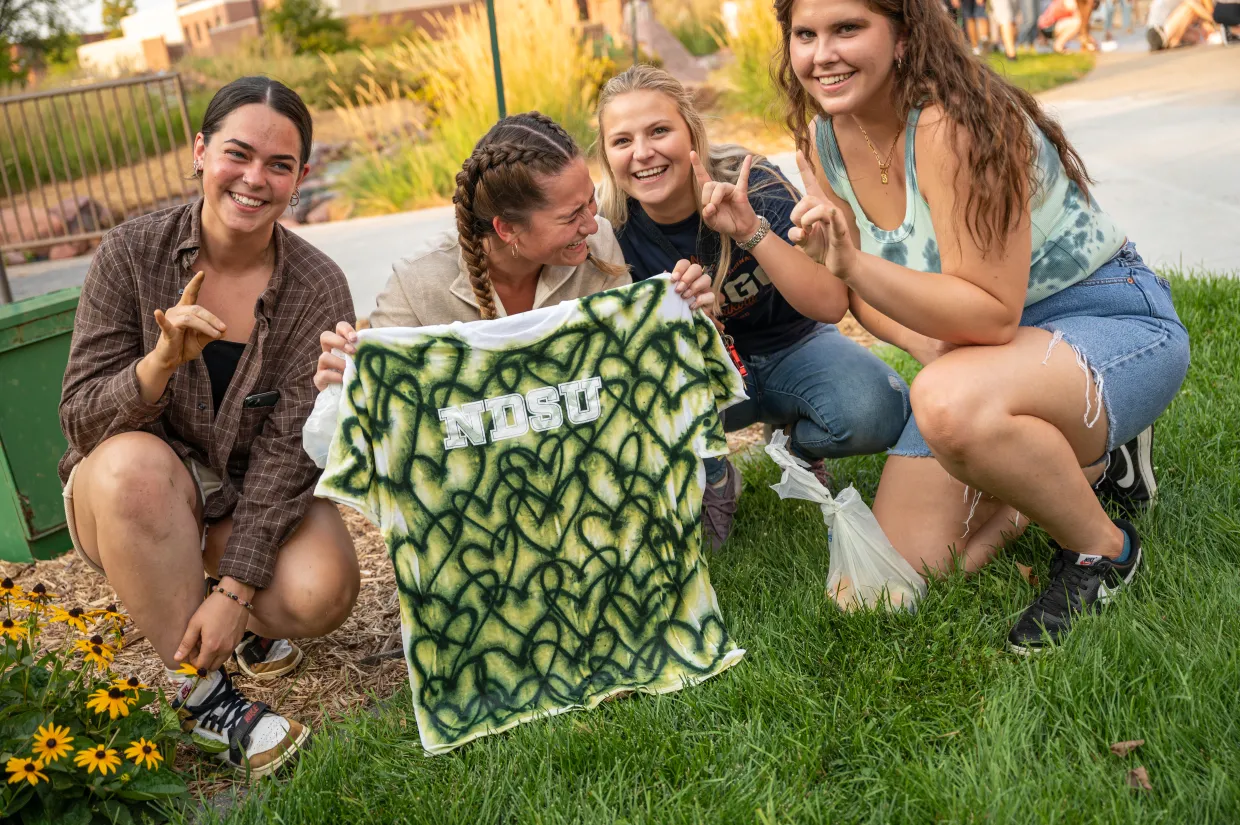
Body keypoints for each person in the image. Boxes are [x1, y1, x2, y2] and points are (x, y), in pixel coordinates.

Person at [769, 0, 1189, 651]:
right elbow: (855, 292)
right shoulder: (824, 140)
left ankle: (1101, 548)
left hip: (1103, 320)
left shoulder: (954, 124)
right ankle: (1074, 468)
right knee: (875, 591)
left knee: (946, 400)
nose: (823, 53)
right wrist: (916, 335)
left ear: (903, 35)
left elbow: (991, 315)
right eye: (806, 34)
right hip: (981, 358)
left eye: (847, 29)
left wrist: (855, 264)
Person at [58, 77, 360, 777]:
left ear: (301, 177)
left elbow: (291, 452)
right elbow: (78, 416)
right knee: (133, 467)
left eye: (279, 165)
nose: (255, 179)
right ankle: (205, 698)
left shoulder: (316, 285)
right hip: (129, 494)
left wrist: (235, 593)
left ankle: (231, 619)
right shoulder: (131, 252)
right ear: (200, 151)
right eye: (237, 153)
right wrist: (158, 363)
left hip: (239, 492)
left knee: (323, 590)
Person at [594, 65, 910, 550]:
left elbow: (829, 304)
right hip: (699, 385)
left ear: (691, 131)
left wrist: (749, 231)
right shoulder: (609, 228)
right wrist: (686, 318)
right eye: (622, 141)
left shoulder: (750, 180)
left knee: (877, 409)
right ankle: (715, 472)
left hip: (792, 348)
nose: (643, 153)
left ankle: (796, 443)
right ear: (606, 154)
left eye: (660, 130)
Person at [312, 111, 717, 403]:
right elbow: (382, 407)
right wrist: (347, 376)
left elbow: (636, 371)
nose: (592, 225)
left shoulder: (598, 244)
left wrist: (687, 314)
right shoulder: (418, 285)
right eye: (570, 216)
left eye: (590, 202)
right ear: (507, 229)